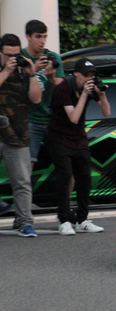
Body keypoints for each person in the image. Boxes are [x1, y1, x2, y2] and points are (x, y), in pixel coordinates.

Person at [48, 58, 110, 235]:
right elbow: (74, 117)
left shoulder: (90, 87)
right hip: (58, 137)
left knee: (85, 177)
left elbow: (107, 112)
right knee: (65, 176)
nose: (89, 79)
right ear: (76, 74)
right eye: (85, 75)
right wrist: (84, 94)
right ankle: (64, 220)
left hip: (78, 138)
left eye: (92, 75)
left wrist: (102, 94)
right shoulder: (64, 87)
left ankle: (83, 219)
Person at [0, 33, 41, 237]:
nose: (12, 59)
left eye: (15, 55)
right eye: (8, 55)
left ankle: (24, 222)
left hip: (17, 133)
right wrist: (6, 71)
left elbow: (36, 99)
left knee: (22, 181)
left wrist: (32, 74)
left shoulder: (24, 70)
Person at [22, 20, 65, 170]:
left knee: (65, 164)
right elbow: (15, 88)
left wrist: (51, 77)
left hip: (51, 119)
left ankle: (66, 194)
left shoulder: (52, 57)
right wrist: (33, 69)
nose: (42, 41)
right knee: (28, 163)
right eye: (38, 36)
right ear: (28, 36)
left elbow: (61, 90)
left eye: (45, 37)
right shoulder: (21, 57)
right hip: (30, 119)